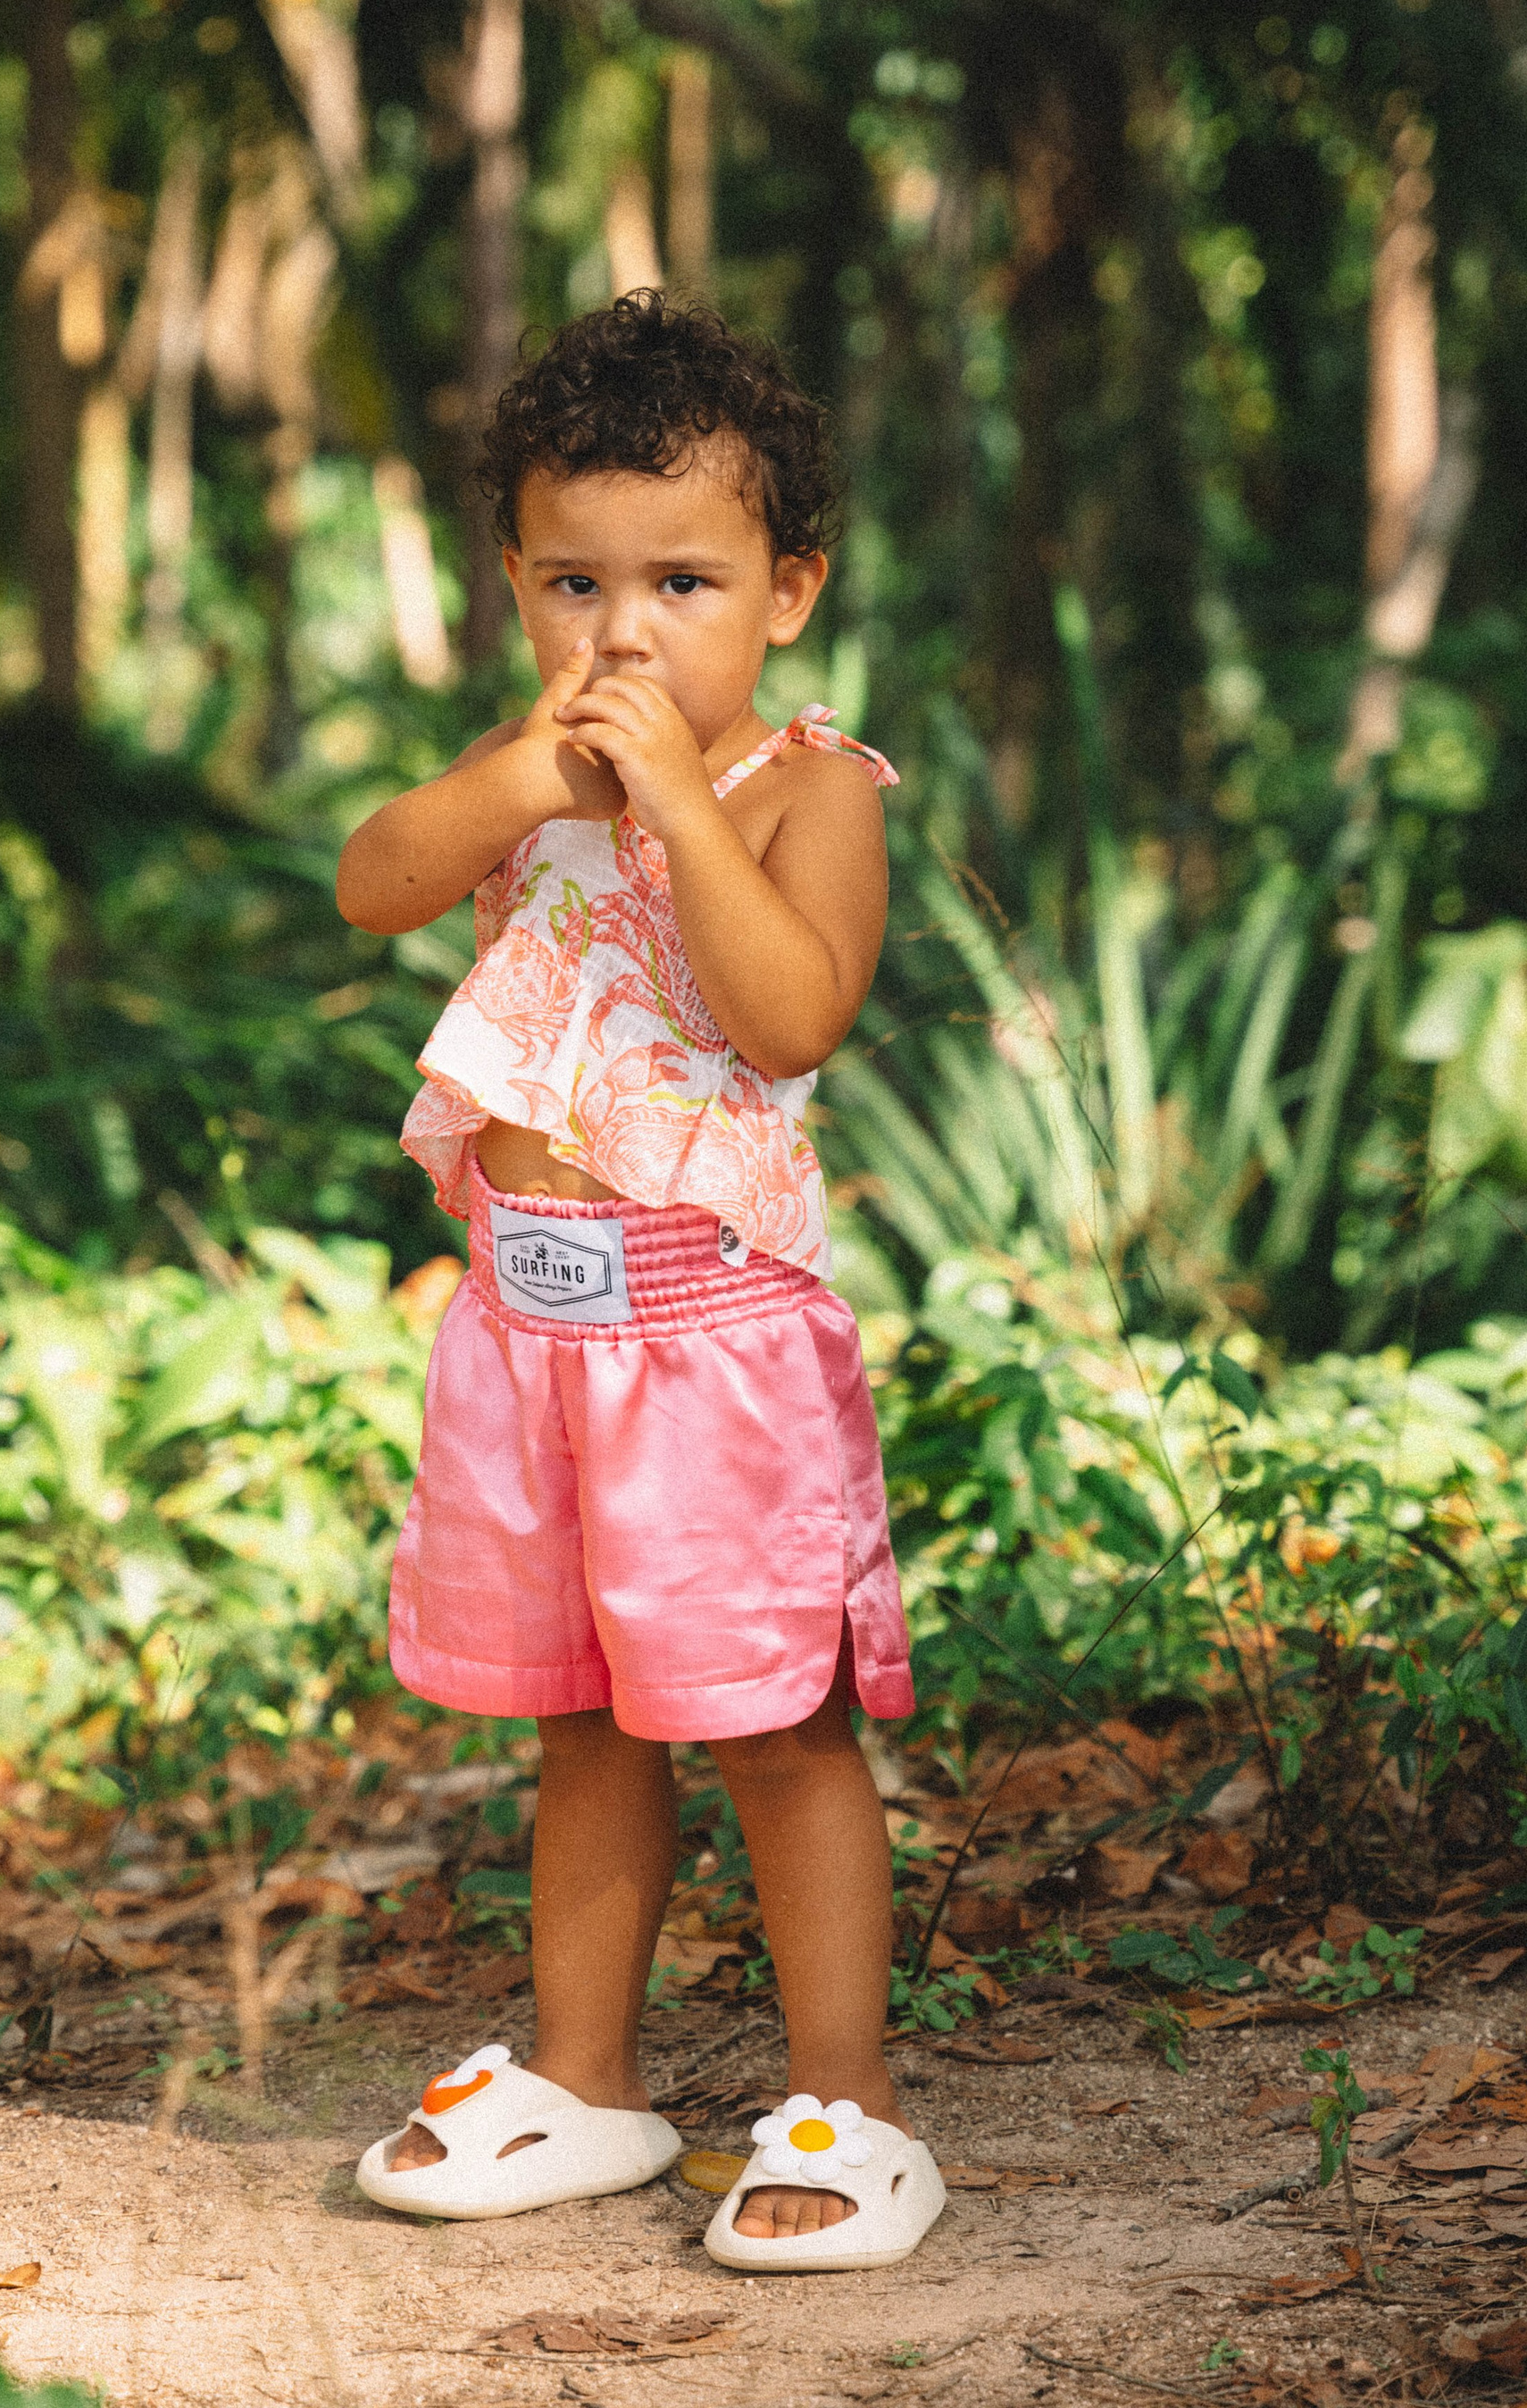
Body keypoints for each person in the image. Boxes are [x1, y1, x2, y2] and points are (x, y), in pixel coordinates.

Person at [335, 292, 943, 2273]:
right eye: (573, 580)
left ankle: (844, 2107)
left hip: (714, 1343)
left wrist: (681, 807)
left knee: (773, 1723)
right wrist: (520, 790)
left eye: (679, 579)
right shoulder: (530, 768)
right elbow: (375, 879)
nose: (622, 631)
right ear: (513, 583)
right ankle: (591, 2087)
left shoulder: (804, 783)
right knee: (581, 1718)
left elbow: (791, 1019)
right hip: (530, 1329)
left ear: (784, 591)